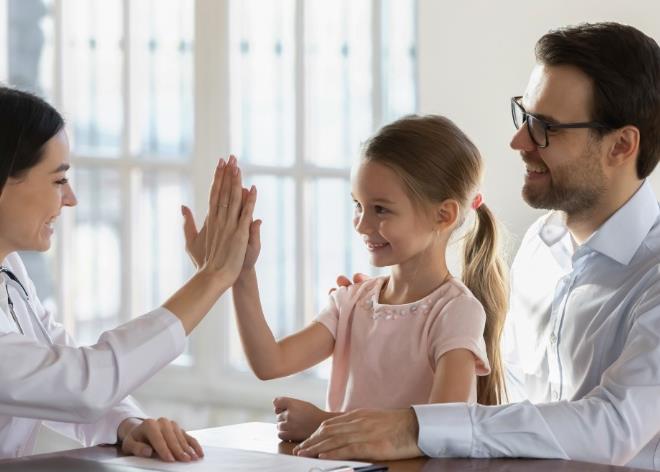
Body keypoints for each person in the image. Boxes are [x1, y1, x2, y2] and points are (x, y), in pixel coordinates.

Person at [294, 22, 660, 469]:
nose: (519, 141)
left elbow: (614, 428)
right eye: (524, 116)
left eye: (545, 127)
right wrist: (396, 328)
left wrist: (418, 426)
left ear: (621, 145)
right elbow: (506, 406)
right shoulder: (537, 253)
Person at [0, 86, 257, 461]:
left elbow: (56, 368)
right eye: (58, 180)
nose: (70, 198)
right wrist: (212, 278)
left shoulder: (10, 268)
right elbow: (81, 384)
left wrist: (127, 425)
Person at [233, 115, 509, 441]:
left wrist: (324, 423)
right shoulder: (352, 301)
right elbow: (269, 362)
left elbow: (444, 429)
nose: (362, 225)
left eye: (380, 209)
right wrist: (242, 271)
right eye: (358, 206)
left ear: (443, 214)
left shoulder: (456, 312)